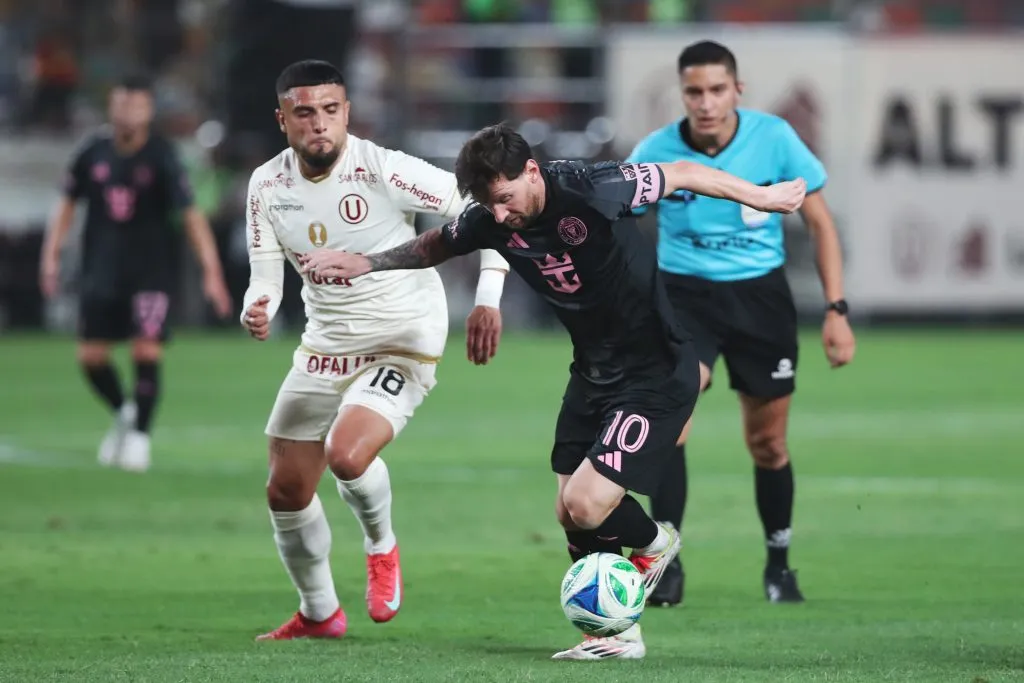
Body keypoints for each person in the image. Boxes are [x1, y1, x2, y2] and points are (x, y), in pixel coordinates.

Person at [300, 122, 806, 659]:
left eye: (505, 199)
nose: (499, 215)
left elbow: (681, 172)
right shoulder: (491, 218)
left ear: (532, 172)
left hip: (654, 371)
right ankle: (611, 635)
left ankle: (658, 545)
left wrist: (761, 197)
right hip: (592, 373)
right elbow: (436, 244)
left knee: (587, 504)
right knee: (568, 512)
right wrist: (368, 263)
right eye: (488, 204)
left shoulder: (593, 188)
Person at [239, 60, 510, 641]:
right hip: (326, 343)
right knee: (286, 490)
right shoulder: (266, 185)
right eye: (304, 113)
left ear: (347, 113)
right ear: (283, 120)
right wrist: (256, 305)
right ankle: (319, 612)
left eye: (330, 110)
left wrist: (487, 298)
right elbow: (265, 274)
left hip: (401, 337)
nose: (319, 124)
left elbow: (488, 211)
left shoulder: (384, 169)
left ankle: (381, 546)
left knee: (346, 454)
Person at [626, 40, 857, 607]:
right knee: (673, 424)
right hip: (685, 299)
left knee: (768, 443)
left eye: (716, 90)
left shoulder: (774, 138)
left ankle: (779, 566)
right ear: (682, 94)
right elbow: (618, 222)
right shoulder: (656, 151)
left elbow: (822, 224)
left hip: (760, 301)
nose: (705, 102)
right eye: (694, 92)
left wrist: (836, 310)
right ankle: (665, 564)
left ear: (738, 89)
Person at [39, 73, 232, 473]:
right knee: (91, 356)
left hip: (150, 272)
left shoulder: (162, 156)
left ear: (148, 111)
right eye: (122, 103)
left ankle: (140, 437)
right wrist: (51, 255)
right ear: (112, 106)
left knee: (145, 349)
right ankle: (124, 411)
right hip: (101, 269)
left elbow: (191, 216)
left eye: (137, 105)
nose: (129, 112)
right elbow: (66, 204)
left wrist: (211, 271)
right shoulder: (92, 152)